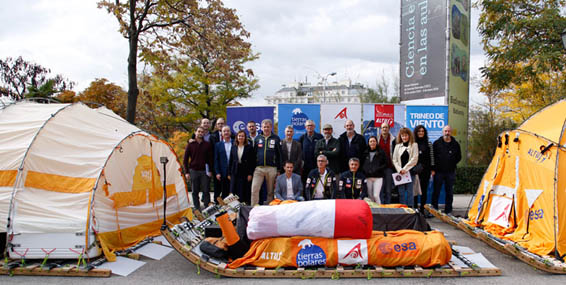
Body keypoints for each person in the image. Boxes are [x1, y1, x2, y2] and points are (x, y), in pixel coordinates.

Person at [250, 119, 282, 205]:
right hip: (259, 168)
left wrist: (279, 169)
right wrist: (253, 168)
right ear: (261, 127)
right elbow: (253, 155)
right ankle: (254, 209)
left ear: (271, 127)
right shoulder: (258, 138)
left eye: (268, 127)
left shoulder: (276, 138)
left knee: (270, 192)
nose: (266, 128)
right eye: (264, 127)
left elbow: (279, 155)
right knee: (254, 189)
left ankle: (269, 209)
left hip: (272, 168)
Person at [432, 125, 461, 214]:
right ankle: (434, 209)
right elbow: (432, 157)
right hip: (438, 172)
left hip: (450, 172)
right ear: (442, 132)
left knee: (449, 192)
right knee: (436, 191)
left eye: (448, 131)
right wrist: (433, 169)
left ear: (451, 132)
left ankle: (448, 210)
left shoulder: (455, 144)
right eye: (445, 131)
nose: (447, 133)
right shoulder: (436, 143)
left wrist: (451, 163)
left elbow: (459, 157)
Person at [183, 127, 213, 210]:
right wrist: (187, 172)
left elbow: (210, 159)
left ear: (204, 133)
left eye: (202, 132)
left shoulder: (207, 145)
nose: (200, 133)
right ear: (195, 132)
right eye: (199, 131)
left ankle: (207, 207)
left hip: (204, 171)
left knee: (206, 190)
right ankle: (197, 208)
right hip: (193, 170)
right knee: (194, 191)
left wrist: (210, 170)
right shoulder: (190, 144)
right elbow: (185, 160)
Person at [392, 127, 419, 207]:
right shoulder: (397, 146)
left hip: (410, 172)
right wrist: (400, 170)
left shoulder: (414, 145)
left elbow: (415, 159)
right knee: (401, 192)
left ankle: (411, 209)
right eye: (402, 136)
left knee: (410, 192)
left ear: (409, 136)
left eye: (406, 135)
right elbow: (394, 160)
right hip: (400, 173)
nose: (404, 137)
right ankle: (402, 208)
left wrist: (405, 169)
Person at [228, 130, 254, 204]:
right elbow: (231, 160)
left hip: (244, 172)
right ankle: (233, 208)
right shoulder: (233, 147)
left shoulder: (249, 148)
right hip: (234, 171)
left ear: (245, 137)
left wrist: (250, 174)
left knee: (242, 190)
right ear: (237, 137)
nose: (241, 137)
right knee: (232, 191)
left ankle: (242, 206)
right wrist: (229, 173)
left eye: (242, 136)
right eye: (239, 136)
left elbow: (252, 162)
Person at [413, 125, 435, 214]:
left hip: (426, 170)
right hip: (415, 170)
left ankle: (422, 209)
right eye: (419, 131)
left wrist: (432, 169)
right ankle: (414, 208)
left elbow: (432, 157)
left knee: (423, 190)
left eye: (422, 131)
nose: (421, 133)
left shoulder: (429, 143)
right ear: (416, 133)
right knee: (415, 190)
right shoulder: (413, 143)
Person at [362, 136, 387, 204]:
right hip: (368, 177)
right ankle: (372, 211)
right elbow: (362, 163)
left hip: (378, 177)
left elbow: (385, 163)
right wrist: (365, 170)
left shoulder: (381, 152)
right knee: (370, 196)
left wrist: (378, 169)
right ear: (368, 143)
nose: (372, 143)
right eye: (371, 141)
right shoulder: (365, 152)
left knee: (376, 195)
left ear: (376, 142)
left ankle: (380, 210)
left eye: (374, 141)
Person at [298, 120, 323, 185]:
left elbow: (323, 150)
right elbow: (299, 151)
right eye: (308, 125)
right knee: (305, 183)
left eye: (311, 125)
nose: (310, 127)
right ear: (305, 127)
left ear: (314, 127)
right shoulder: (302, 138)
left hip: (317, 165)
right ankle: (306, 195)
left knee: (317, 183)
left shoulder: (320, 137)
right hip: (305, 166)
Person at [378, 122, 396, 204]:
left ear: (389, 128)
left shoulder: (393, 139)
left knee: (388, 189)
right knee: (380, 189)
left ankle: (388, 206)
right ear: (380, 129)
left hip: (389, 167)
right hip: (379, 168)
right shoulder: (377, 138)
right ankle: (381, 206)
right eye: (383, 127)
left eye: (386, 127)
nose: (384, 129)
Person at [214, 126, 232, 200]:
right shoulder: (218, 145)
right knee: (224, 191)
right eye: (224, 131)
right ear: (222, 133)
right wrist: (217, 172)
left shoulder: (235, 143)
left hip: (233, 171)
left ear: (230, 132)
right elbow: (216, 159)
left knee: (233, 191)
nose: (226, 132)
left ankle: (234, 209)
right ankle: (225, 209)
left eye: (228, 131)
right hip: (223, 172)